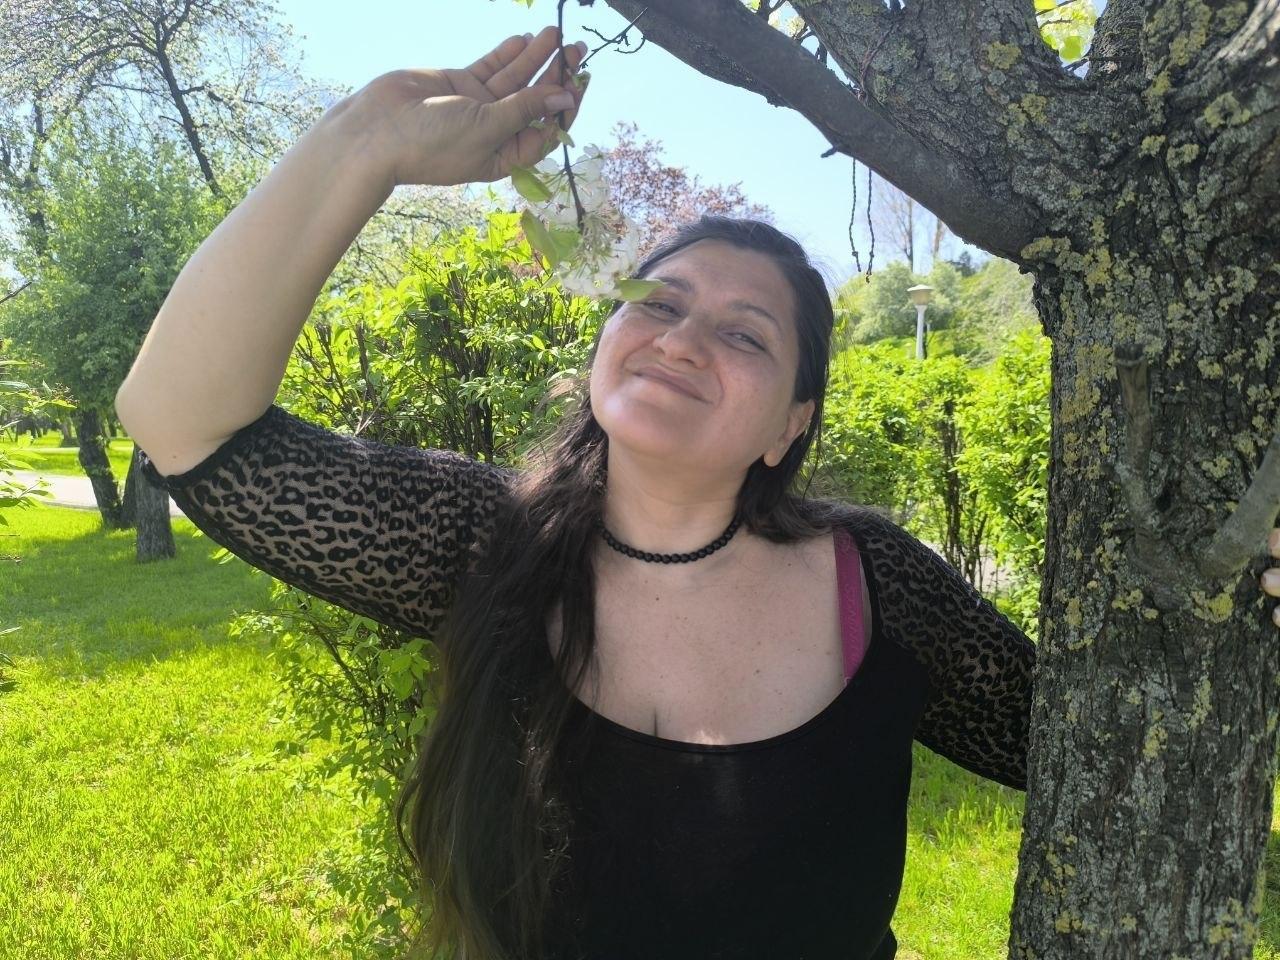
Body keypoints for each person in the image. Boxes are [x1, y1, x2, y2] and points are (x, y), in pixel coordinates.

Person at [115, 26, 1280, 960]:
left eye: (743, 333)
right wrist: (366, 139)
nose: (679, 339)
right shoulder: (482, 544)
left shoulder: (873, 589)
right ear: (603, 343)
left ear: (790, 425)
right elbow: (181, 422)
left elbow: (1104, 742)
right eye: (658, 303)